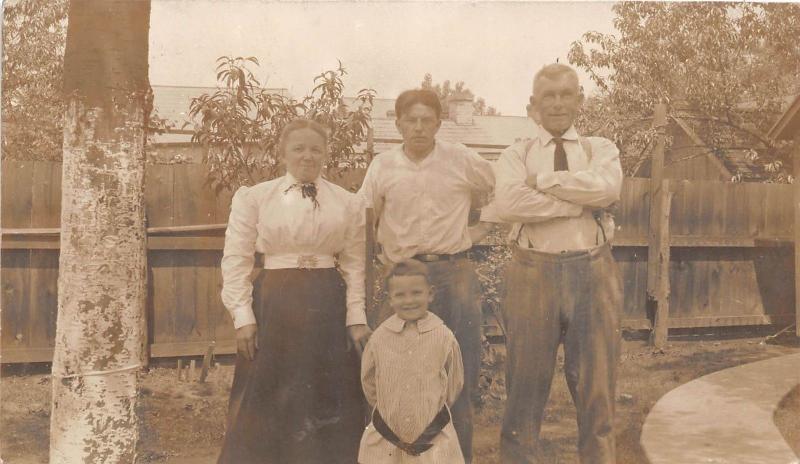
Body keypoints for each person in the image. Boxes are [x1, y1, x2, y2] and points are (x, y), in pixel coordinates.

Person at [217, 118, 371, 464]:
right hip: (275, 299)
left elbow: (354, 263)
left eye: (316, 149)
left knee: (325, 394)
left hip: (326, 301)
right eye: (298, 148)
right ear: (282, 152)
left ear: (326, 153)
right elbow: (236, 258)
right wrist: (243, 316)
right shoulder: (256, 197)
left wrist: (355, 316)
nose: (307, 156)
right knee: (266, 394)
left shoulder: (347, 202)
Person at [492, 63, 624, 464]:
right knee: (524, 394)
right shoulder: (518, 153)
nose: (557, 103)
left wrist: (545, 183)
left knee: (596, 392)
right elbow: (510, 203)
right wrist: (575, 203)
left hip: (592, 272)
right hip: (533, 273)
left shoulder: (599, 148)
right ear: (533, 105)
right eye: (548, 96)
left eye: (566, 94)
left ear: (579, 100)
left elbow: (607, 188)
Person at [359, 88, 495, 463]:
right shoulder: (382, 167)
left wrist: (480, 230)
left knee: (457, 376)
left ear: (439, 122)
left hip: (454, 273)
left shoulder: (462, 159)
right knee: (389, 373)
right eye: (411, 120)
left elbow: (502, 189)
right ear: (398, 123)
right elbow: (364, 218)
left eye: (427, 120)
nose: (419, 128)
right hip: (401, 278)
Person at [358, 259, 465, 464]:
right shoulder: (379, 338)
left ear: (430, 294)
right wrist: (389, 406)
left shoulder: (443, 336)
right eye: (400, 295)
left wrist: (430, 408)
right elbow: (369, 382)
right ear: (390, 299)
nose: (409, 301)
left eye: (416, 293)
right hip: (389, 432)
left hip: (432, 433)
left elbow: (454, 383)